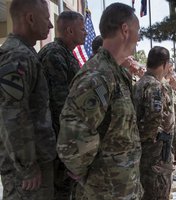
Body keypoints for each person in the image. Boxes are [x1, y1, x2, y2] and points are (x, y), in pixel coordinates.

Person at [57, 3, 143, 199]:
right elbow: (71, 142)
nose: (138, 38)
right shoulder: (98, 76)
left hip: (124, 189)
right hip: (102, 191)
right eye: (137, 31)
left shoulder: (118, 73)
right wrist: (87, 174)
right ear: (125, 30)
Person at [0, 0, 56, 199]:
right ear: (30, 19)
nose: (50, 25)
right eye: (47, 19)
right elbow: (12, 116)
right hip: (27, 176)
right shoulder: (17, 57)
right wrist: (27, 167)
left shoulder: (26, 52)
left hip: (35, 164)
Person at [38, 11, 87, 200]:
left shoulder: (66, 54)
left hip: (65, 143)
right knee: (61, 193)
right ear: (70, 30)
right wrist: (71, 151)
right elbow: (61, 108)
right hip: (59, 146)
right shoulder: (54, 55)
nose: (84, 33)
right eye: (82, 29)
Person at [134, 46, 176, 200]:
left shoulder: (139, 84)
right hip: (154, 153)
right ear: (164, 64)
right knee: (158, 192)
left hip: (143, 152)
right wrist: (150, 139)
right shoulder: (154, 85)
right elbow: (154, 118)